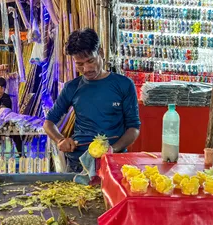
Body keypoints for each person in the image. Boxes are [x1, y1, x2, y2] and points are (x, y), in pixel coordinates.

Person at [43, 28, 141, 172]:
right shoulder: (72, 87)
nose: (87, 68)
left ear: (100, 53)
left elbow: (134, 128)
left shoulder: (124, 84)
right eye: (79, 64)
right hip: (78, 163)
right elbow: (48, 122)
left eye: (90, 61)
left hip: (114, 163)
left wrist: (112, 150)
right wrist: (60, 140)